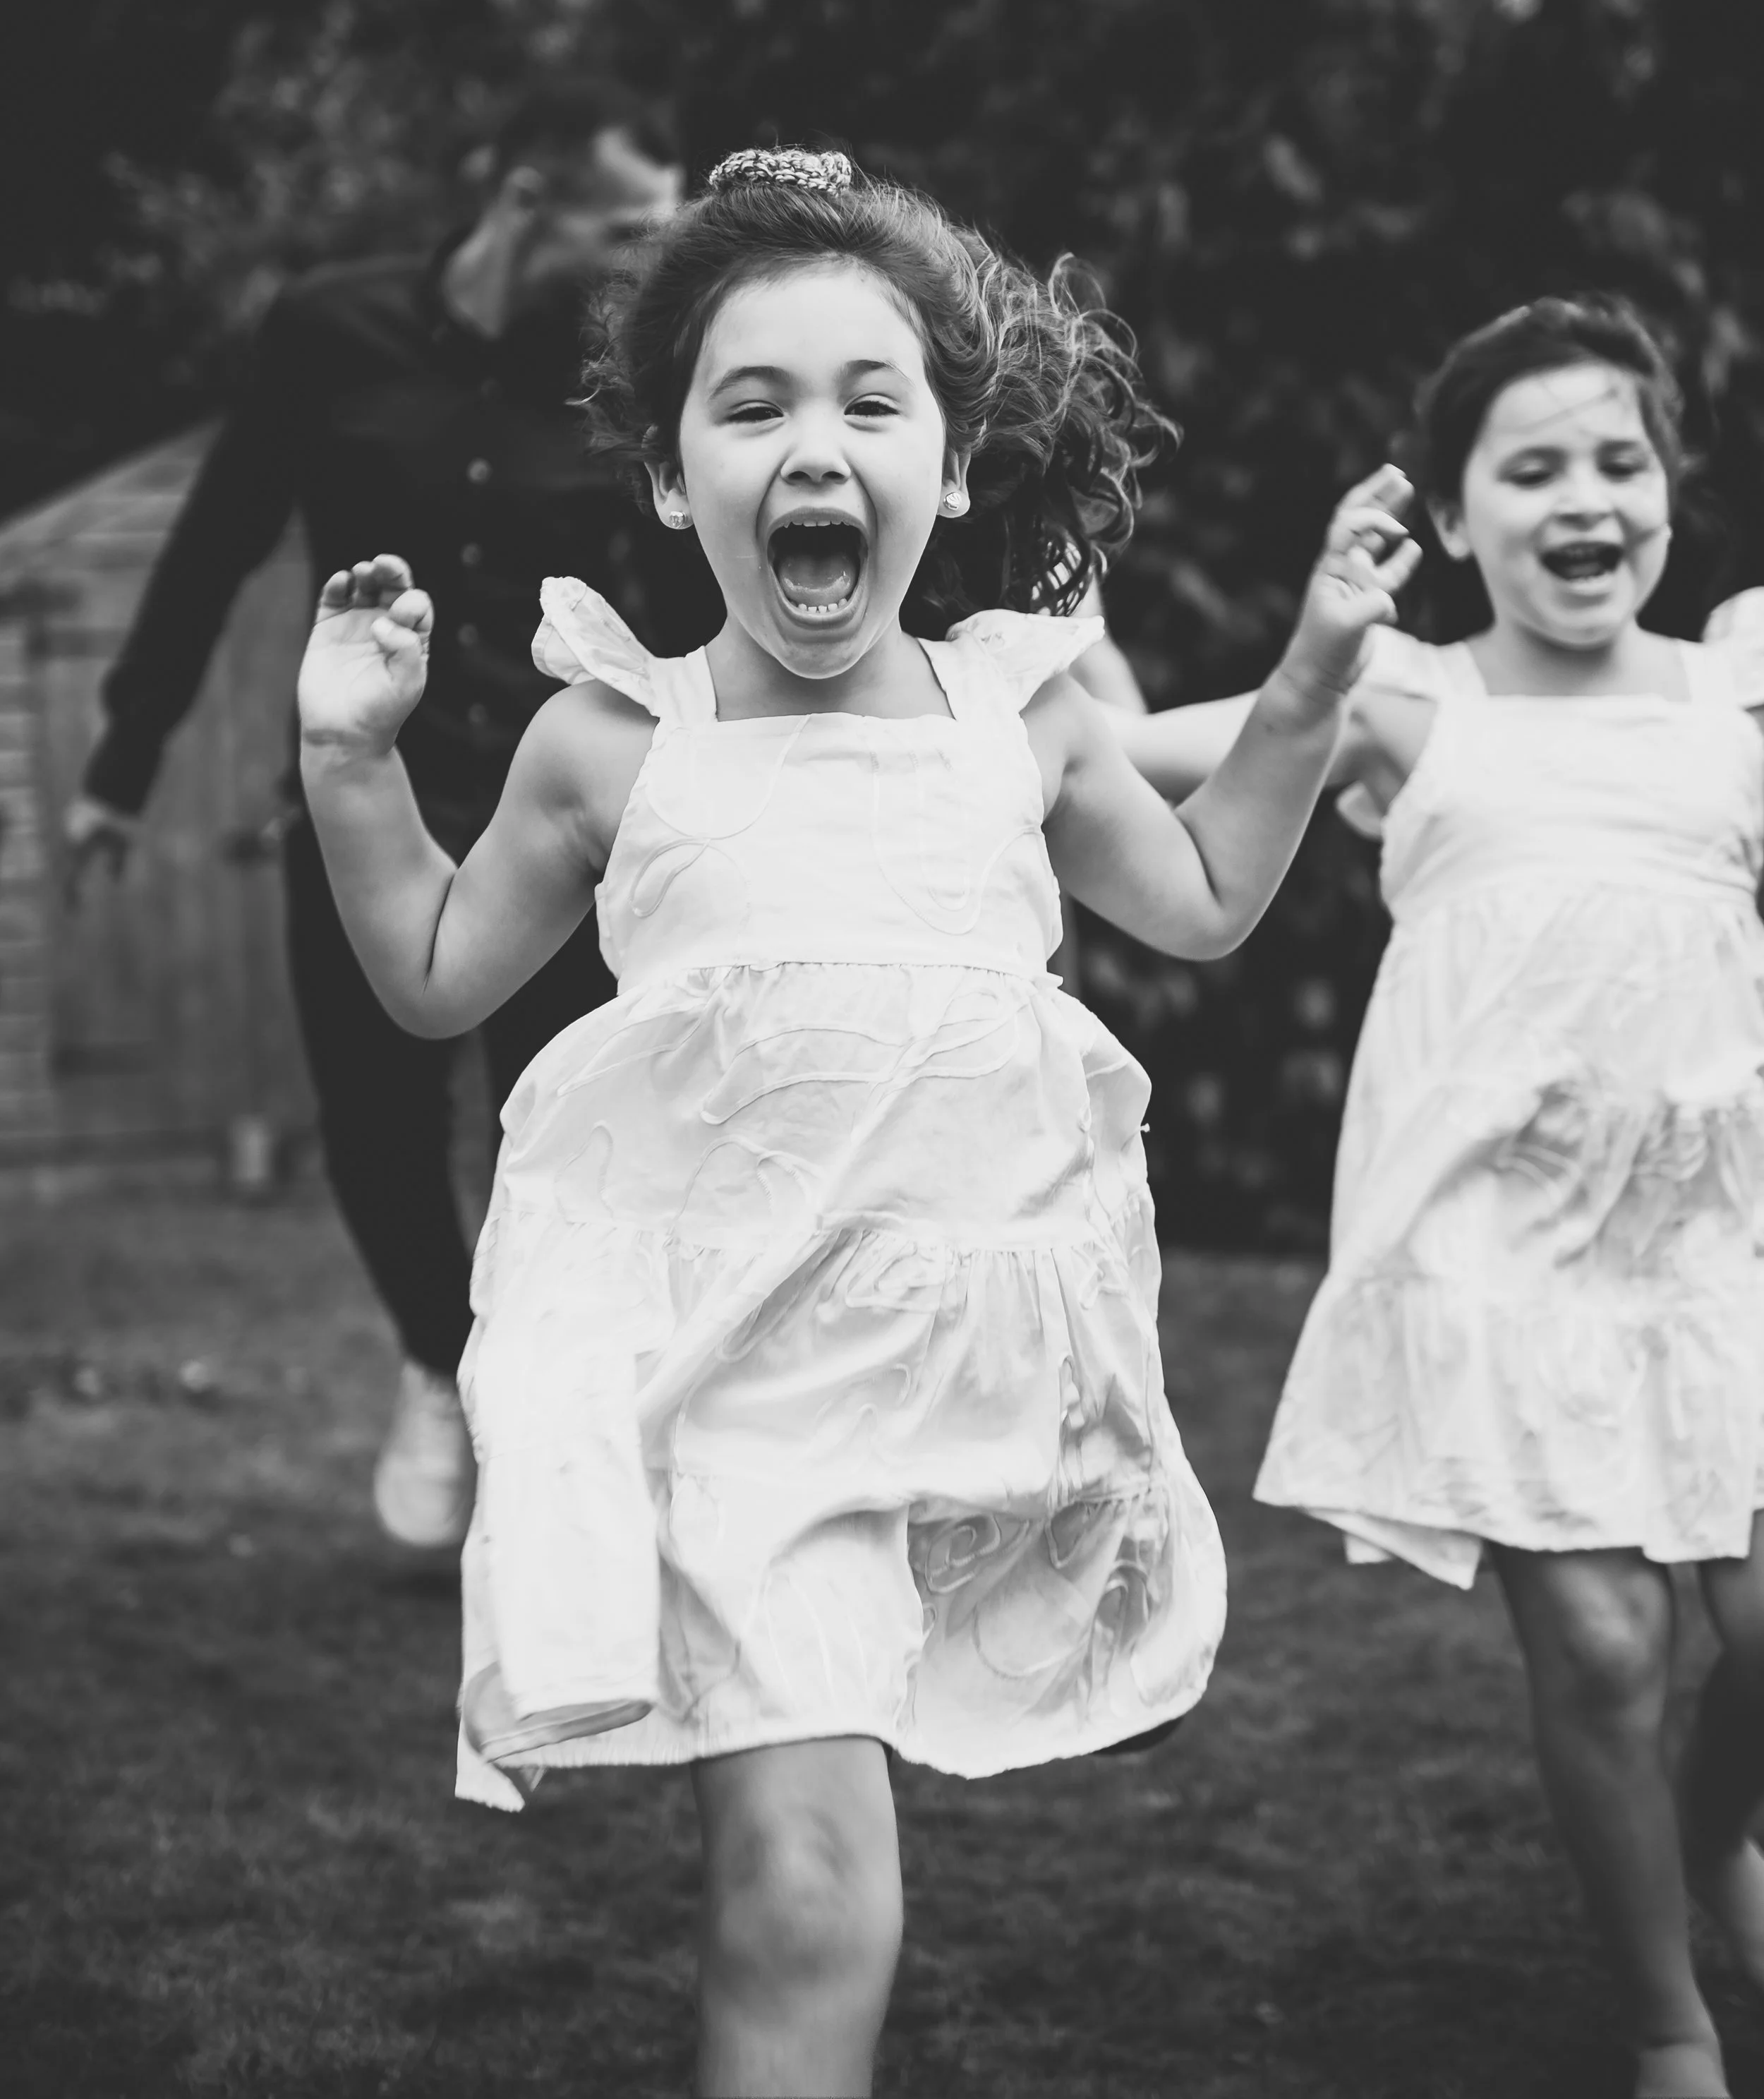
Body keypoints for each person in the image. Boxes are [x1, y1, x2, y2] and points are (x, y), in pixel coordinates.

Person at [294, 145, 1415, 2099]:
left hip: (971, 1365)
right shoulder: (611, 740)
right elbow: (428, 972)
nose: (813, 445)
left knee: (824, 1861)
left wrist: (1313, 677)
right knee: (813, 1882)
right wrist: (347, 757)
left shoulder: (1022, 718)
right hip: (726, 1386)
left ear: (951, 470)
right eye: (752, 405)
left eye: (866, 401)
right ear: (670, 480)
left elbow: (1208, 897)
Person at [1119, 297, 1764, 2099]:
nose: (1584, 498)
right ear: (1459, 520)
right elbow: (1132, 767)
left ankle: (1719, 1836)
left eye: (1617, 462)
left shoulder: (1733, 693)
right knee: (1605, 1635)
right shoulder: (1414, 702)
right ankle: (1666, 2022)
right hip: (1491, 1247)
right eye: (1530, 468)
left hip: (1714, 1237)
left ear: (1667, 491)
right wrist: (1057, 649)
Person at [62, 83, 705, 1551]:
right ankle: (437, 1361)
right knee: (375, 1129)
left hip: (557, 830)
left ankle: (549, 1438)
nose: (647, 253)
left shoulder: (627, 376)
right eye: (625, 223)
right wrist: (121, 764)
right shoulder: (324, 330)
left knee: (567, 1134)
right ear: (524, 195)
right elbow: (218, 541)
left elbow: (680, 599)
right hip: (363, 809)